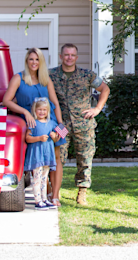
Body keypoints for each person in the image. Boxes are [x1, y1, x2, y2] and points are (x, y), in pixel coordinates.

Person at [49, 43, 110, 206]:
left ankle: (82, 191)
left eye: (72, 55)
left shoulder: (87, 75)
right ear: (61, 57)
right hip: (61, 125)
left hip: (83, 124)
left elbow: (105, 89)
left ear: (76, 57)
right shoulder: (51, 75)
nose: (69, 58)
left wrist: (97, 109)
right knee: (57, 158)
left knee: (85, 158)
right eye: (66, 55)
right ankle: (55, 190)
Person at [2, 48, 64, 206]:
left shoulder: (46, 79)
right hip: (29, 124)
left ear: (41, 62)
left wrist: (61, 125)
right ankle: (41, 194)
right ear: (26, 61)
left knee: (55, 158)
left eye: (37, 59)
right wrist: (25, 112)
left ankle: (54, 195)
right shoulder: (18, 78)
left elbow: (55, 103)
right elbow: (7, 100)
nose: (34, 62)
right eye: (31, 59)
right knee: (36, 160)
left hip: (50, 123)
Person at [23, 98, 64, 210]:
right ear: (35, 111)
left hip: (47, 156)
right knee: (37, 178)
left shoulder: (52, 123)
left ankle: (45, 199)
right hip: (37, 155)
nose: (42, 112)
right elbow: (27, 138)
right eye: (39, 110)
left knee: (45, 177)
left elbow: (62, 134)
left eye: (44, 110)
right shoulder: (33, 123)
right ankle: (38, 200)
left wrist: (55, 136)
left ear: (48, 111)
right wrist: (39, 138)